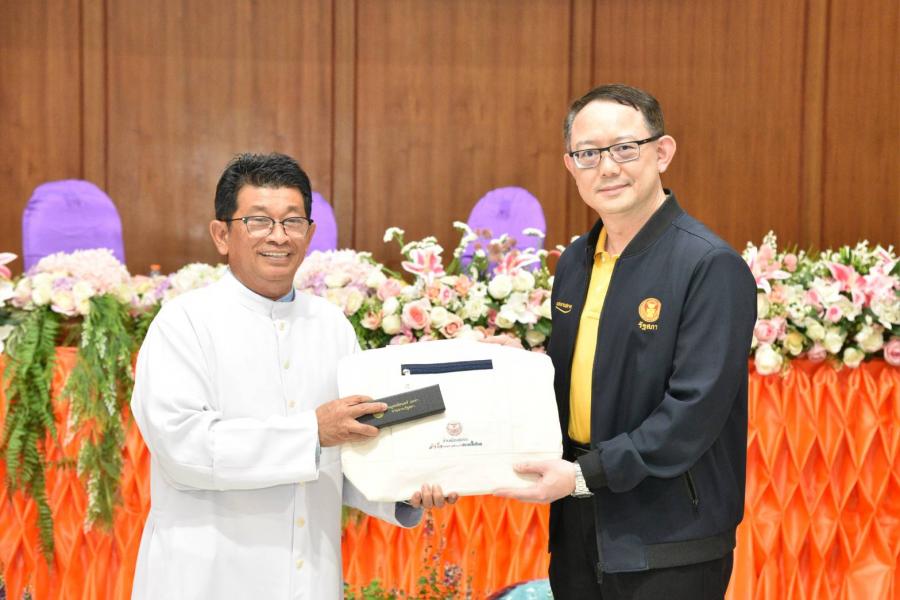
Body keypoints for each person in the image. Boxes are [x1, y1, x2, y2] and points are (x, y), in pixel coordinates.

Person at [130, 152, 457, 599]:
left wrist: (404, 488)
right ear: (222, 235)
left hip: (310, 576)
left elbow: (352, 450)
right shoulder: (183, 323)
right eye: (259, 221)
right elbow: (183, 448)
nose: (279, 236)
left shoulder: (331, 325)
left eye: (293, 221)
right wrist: (312, 433)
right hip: (208, 576)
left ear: (310, 234)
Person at [495, 84, 757, 599]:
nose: (607, 167)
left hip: (670, 536)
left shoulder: (709, 266)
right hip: (578, 523)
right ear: (571, 166)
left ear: (663, 152)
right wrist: (512, 376)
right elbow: (582, 377)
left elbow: (693, 412)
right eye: (588, 153)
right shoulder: (576, 261)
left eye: (624, 148)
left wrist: (584, 475)